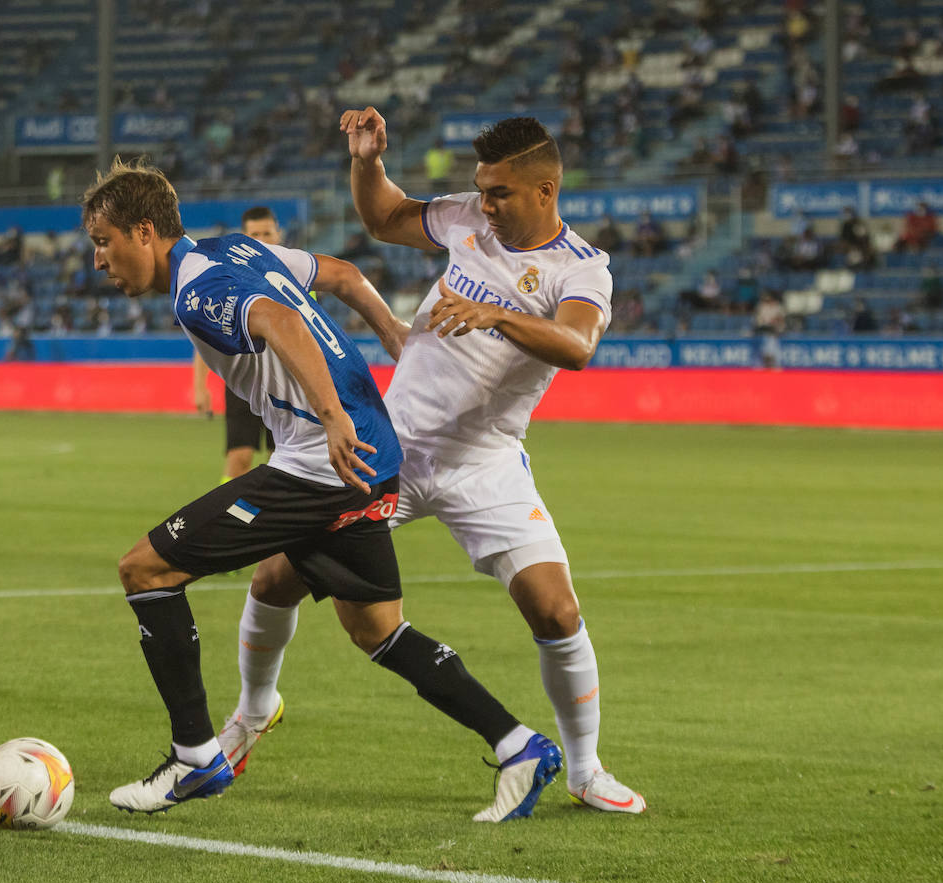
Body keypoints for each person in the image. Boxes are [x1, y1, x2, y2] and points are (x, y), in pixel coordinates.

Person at [84, 158, 562, 820]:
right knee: (373, 627)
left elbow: (280, 321)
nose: (100, 261)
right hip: (372, 450)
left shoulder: (199, 288)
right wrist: (389, 329)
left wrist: (332, 416)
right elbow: (340, 275)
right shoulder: (235, 248)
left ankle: (195, 757)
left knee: (145, 568)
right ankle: (519, 745)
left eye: (104, 243)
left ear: (144, 232)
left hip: (324, 461)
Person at [215, 110, 647, 815]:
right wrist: (366, 162)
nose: (486, 204)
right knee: (273, 578)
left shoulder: (582, 269)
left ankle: (586, 769)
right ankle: (251, 712)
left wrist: (497, 315)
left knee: (557, 610)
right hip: (397, 445)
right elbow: (385, 216)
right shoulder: (465, 220)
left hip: (487, 463)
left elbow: (577, 348)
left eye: (501, 192)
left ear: (546, 191)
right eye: (481, 189)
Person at [192, 206, 284, 482]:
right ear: (244, 237)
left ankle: (275, 521)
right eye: (255, 234)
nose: (262, 240)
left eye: (267, 233)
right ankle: (228, 518)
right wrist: (200, 386)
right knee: (239, 457)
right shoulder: (226, 278)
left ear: (278, 234)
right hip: (242, 379)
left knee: (280, 460)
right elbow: (206, 334)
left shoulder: (298, 276)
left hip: (285, 382)